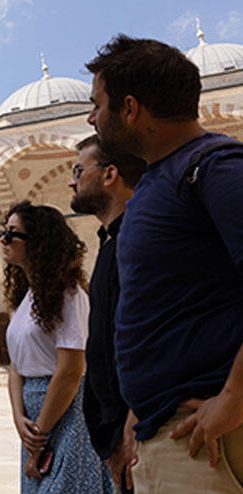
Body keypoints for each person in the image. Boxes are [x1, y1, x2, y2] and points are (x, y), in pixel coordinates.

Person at [86, 36, 243, 492]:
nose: (92, 118)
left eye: (97, 105)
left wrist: (233, 398)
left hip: (209, 435)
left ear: (130, 108)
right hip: (166, 430)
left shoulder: (215, 167)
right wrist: (138, 411)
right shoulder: (158, 180)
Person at [2, 201, 112, 493]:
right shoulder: (27, 298)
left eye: (12, 233)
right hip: (33, 422)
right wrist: (19, 418)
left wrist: (40, 432)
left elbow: (70, 372)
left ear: (38, 242)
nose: (3, 240)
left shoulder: (68, 295)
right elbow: (16, 367)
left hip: (65, 413)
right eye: (3, 232)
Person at [68, 134, 145, 491]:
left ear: (110, 174)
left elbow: (148, 338)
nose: (72, 182)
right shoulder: (111, 244)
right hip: (119, 433)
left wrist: (134, 419)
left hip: (137, 432)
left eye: (78, 171)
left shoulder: (138, 242)